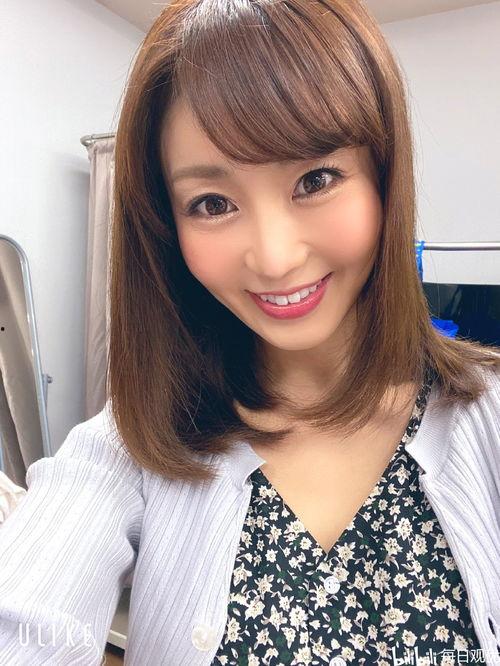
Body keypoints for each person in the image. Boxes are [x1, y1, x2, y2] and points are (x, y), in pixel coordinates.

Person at [1, 1, 500, 664]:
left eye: (315, 179)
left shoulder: (486, 418)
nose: (274, 258)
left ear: (384, 177)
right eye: (213, 204)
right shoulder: (135, 446)